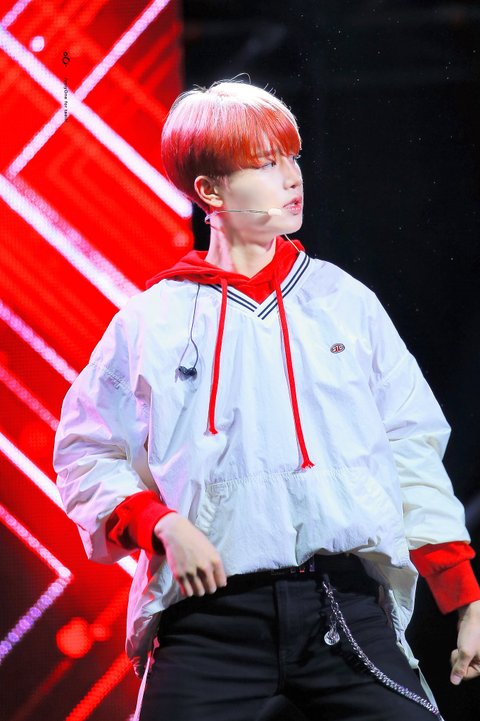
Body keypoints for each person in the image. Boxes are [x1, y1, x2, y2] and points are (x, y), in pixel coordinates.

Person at [53, 79, 480, 721]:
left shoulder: (343, 302)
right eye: (264, 162)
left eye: (291, 157)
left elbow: (408, 443)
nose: (291, 177)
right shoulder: (152, 322)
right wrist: (160, 524)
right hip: (208, 620)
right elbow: (86, 451)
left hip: (341, 608)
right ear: (211, 191)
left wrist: (463, 594)